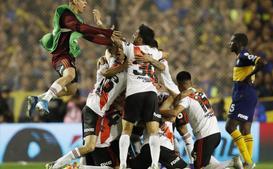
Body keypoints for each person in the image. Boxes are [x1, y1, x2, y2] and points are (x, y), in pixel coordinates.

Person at [27, 0, 120, 116]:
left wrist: (112, 41)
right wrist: (107, 32)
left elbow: (92, 37)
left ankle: (37, 98)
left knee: (72, 90)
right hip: (61, 55)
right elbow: (80, 27)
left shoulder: (78, 20)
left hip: (69, 56)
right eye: (83, 0)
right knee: (70, 75)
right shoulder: (65, 13)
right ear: (75, 1)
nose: (86, 3)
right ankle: (45, 101)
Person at [45, 47, 126, 169]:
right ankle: (64, 165)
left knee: (88, 147)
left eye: (121, 55)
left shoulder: (109, 66)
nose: (119, 56)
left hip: (91, 107)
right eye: (117, 54)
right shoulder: (117, 70)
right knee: (90, 147)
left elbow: (107, 61)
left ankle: (62, 164)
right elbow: (107, 63)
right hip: (96, 109)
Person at [161, 71, 241, 169]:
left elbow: (174, 113)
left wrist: (157, 112)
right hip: (215, 133)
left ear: (179, 85)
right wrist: (181, 95)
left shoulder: (186, 99)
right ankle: (227, 166)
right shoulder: (200, 92)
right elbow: (179, 99)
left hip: (205, 136)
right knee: (197, 155)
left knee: (199, 167)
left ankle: (231, 162)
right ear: (190, 81)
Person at [111, 24, 165, 169]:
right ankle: (154, 164)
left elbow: (114, 40)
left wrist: (103, 27)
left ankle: (122, 163)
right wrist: (152, 59)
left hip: (134, 93)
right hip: (150, 93)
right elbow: (165, 60)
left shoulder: (131, 48)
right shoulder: (154, 51)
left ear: (140, 38)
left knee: (127, 130)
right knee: (154, 131)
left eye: (135, 34)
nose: (133, 36)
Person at [225, 33, 265, 169]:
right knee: (245, 130)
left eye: (232, 41)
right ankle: (248, 163)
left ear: (238, 43)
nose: (229, 44)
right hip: (248, 95)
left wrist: (250, 75)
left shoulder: (243, 55)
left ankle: (248, 162)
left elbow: (261, 62)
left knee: (229, 127)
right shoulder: (240, 58)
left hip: (243, 95)